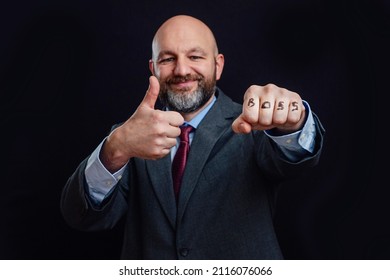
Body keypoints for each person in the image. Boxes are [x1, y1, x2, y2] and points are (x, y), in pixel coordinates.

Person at [60, 14, 325, 260]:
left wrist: (293, 122)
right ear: (153, 69)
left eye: (195, 57)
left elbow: (294, 159)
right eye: (167, 59)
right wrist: (114, 149)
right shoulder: (130, 135)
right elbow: (81, 216)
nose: (182, 70)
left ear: (218, 65)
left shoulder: (252, 124)